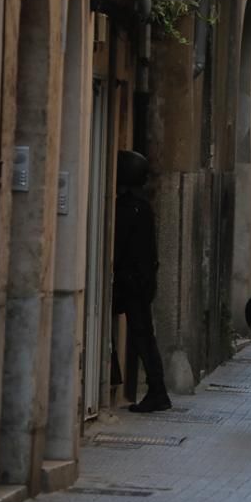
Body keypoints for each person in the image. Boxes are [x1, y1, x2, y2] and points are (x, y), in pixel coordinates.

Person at [113, 150, 172, 413]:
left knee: (142, 336)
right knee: (143, 335)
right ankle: (155, 389)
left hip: (131, 280)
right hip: (138, 280)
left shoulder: (130, 207)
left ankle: (157, 390)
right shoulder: (141, 205)